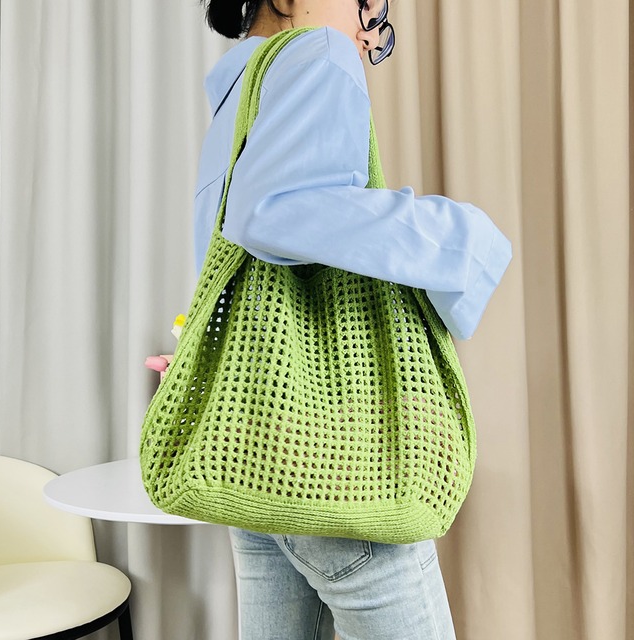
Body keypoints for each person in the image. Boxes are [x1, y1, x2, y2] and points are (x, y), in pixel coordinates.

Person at [154, 1, 512, 638]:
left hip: (256, 450)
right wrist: (465, 240)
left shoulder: (239, 87)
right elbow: (275, 211)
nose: (370, 32)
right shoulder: (317, 52)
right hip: (334, 457)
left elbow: (239, 240)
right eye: (366, 4)